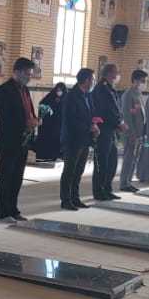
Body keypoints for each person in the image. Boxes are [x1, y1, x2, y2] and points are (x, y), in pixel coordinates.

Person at [0, 58, 38, 222]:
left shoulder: (24, 90)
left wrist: (34, 120)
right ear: (17, 72)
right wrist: (25, 123)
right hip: (9, 139)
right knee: (6, 176)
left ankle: (13, 209)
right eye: (27, 74)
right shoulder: (4, 90)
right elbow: (4, 117)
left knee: (17, 177)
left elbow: (28, 111)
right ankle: (3, 212)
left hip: (23, 140)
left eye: (31, 74)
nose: (29, 77)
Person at [60, 69, 97, 210]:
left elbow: (90, 114)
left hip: (85, 139)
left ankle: (75, 198)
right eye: (92, 79)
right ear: (86, 80)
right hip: (73, 139)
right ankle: (66, 200)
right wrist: (89, 127)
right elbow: (71, 120)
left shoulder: (88, 95)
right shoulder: (71, 96)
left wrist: (94, 125)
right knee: (69, 171)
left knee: (79, 171)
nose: (93, 82)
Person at [92, 64, 127, 199]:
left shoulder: (110, 89)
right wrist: (118, 123)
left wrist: (119, 123)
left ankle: (107, 188)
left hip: (111, 130)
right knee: (102, 162)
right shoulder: (101, 89)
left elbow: (117, 109)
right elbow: (106, 110)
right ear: (109, 73)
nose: (118, 75)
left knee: (112, 162)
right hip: (103, 130)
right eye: (116, 72)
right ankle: (99, 191)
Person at [119, 70, 148, 192]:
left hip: (139, 132)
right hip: (131, 132)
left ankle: (128, 181)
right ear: (135, 80)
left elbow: (141, 114)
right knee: (128, 158)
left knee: (134, 158)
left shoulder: (138, 94)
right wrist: (131, 133)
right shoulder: (128, 95)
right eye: (143, 81)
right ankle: (124, 183)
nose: (144, 83)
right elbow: (127, 116)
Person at [35, 82, 66, 162]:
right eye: (57, 90)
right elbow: (42, 105)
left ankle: (56, 156)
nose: (59, 92)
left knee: (57, 141)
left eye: (61, 90)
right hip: (49, 125)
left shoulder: (66, 98)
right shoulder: (50, 96)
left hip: (59, 125)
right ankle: (46, 156)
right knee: (48, 140)